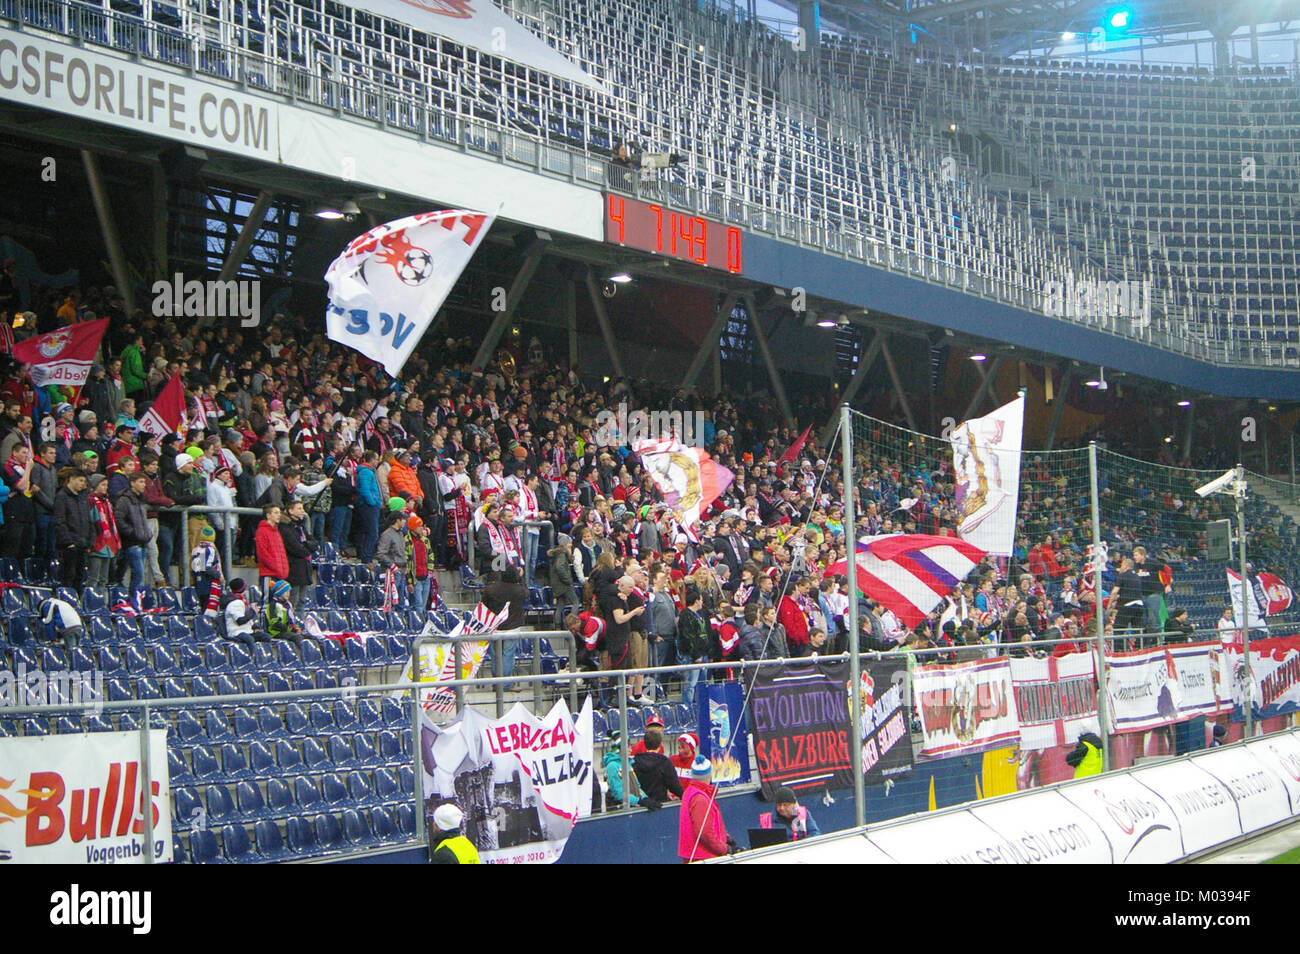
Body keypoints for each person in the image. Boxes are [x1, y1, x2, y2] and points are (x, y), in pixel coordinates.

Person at [678, 756, 734, 863]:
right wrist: (724, 849)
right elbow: (705, 833)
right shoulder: (700, 799)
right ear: (709, 775)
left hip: (695, 856)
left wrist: (725, 838)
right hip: (704, 857)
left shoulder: (690, 792)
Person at [53, 466, 93, 588]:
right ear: (71, 479)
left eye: (84, 481)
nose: (83, 484)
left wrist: (89, 541)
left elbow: (88, 520)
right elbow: (60, 521)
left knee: (80, 576)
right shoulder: (61, 496)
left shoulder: (82, 498)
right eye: (80, 480)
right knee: (69, 575)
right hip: (70, 545)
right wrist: (68, 542)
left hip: (82, 543)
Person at [631, 724, 685, 809]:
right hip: (660, 806)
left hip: (640, 805)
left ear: (644, 743)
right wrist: (685, 797)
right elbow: (674, 786)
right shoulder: (664, 762)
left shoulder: (634, 761)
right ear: (660, 744)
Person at [677, 584, 710, 709]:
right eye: (701, 600)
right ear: (696, 601)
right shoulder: (686, 615)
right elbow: (688, 637)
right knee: (690, 684)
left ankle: (701, 707)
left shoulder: (700, 614)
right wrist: (696, 655)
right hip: (692, 657)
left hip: (704, 654)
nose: (702, 602)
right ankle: (688, 708)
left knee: (702, 684)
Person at [255, 503, 289, 590]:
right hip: (269, 574)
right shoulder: (262, 531)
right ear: (268, 515)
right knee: (268, 601)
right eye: (276, 513)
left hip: (279, 574)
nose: (279, 515)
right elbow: (263, 553)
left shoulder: (277, 532)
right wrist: (276, 567)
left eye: (279, 513)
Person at [220, 577, 259, 649]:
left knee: (265, 637)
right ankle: (253, 657)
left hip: (247, 630)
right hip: (236, 632)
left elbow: (248, 618)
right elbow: (240, 621)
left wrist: (255, 626)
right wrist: (253, 612)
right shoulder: (234, 603)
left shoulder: (243, 601)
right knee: (250, 639)